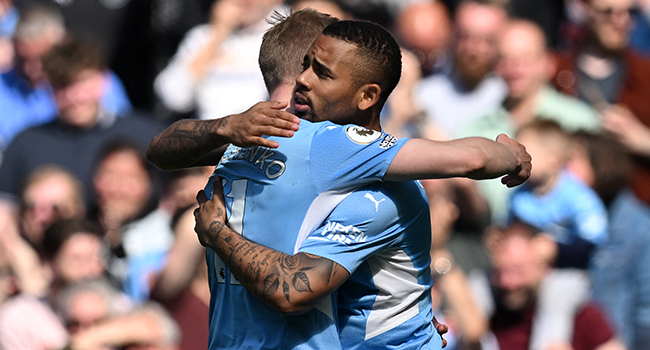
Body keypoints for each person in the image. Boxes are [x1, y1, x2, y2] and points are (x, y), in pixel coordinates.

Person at [149, 12, 530, 350]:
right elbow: (473, 156)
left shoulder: (240, 139)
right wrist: (512, 154)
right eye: (308, 66)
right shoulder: (322, 145)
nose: (305, 79)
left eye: (322, 70)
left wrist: (405, 314)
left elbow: (160, 150)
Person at [460, 19, 601, 222]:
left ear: (548, 63)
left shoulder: (580, 122)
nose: (514, 67)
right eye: (504, 59)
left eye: (524, 58)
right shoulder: (473, 128)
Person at [0, 37, 163, 211]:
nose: (75, 97)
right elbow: (6, 212)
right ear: (49, 88)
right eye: (63, 86)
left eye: (82, 83)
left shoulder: (147, 136)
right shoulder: (26, 144)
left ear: (104, 80)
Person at [467, 222, 625, 350]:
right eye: (500, 272)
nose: (508, 282)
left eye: (518, 271)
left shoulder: (582, 315)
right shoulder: (487, 315)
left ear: (543, 268)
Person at [552, 0, 650, 206]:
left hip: (632, 206)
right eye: (608, 12)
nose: (620, 21)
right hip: (565, 204)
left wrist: (642, 139)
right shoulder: (557, 70)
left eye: (629, 12)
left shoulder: (645, 73)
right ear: (585, 11)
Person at [0, 4, 132, 152]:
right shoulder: (3, 87)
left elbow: (121, 133)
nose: (31, 68)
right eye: (23, 59)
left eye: (42, 59)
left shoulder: (92, 79)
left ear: (63, 42)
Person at [569, 132, 650, 350]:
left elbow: (646, 313)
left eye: (570, 160)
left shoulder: (640, 228)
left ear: (603, 165)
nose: (562, 170)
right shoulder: (559, 220)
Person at [154, 0, 284, 120]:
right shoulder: (203, 36)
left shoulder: (287, 36)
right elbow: (174, 98)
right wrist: (218, 35)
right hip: (209, 135)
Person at [508, 120, 608, 269]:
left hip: (571, 271)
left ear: (552, 159)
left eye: (523, 154)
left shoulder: (579, 198)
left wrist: (558, 251)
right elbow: (512, 228)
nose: (515, 161)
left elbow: (594, 244)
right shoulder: (518, 195)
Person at [0, 218, 107, 350]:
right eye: (78, 260)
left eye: (96, 258)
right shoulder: (19, 318)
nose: (90, 270)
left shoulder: (119, 306)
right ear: (49, 262)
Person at [415, 0, 509, 137]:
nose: (473, 49)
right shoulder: (423, 97)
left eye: (486, 40)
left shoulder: (511, 96)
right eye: (465, 37)